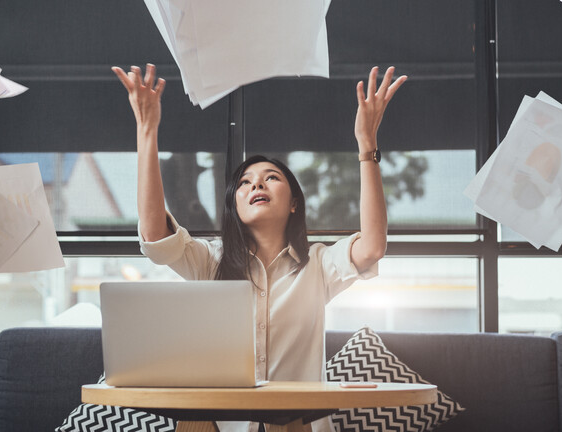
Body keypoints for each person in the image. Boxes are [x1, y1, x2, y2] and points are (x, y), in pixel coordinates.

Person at [112, 64, 406, 432]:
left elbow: (373, 246)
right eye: (245, 183)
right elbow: (155, 234)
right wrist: (147, 129)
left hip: (295, 425)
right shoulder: (209, 261)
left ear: (294, 202)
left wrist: (367, 146)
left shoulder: (318, 263)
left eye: (272, 178)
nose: (257, 185)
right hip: (219, 424)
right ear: (234, 205)